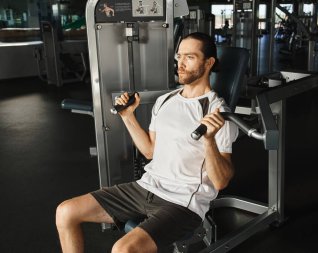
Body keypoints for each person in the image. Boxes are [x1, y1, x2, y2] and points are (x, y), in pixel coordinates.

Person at [55, 32, 239, 253]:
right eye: (179, 57)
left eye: (189, 57)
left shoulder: (218, 113)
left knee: (123, 249)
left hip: (182, 201)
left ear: (208, 63)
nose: (180, 63)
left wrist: (209, 140)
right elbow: (150, 151)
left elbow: (220, 182)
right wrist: (127, 116)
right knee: (65, 211)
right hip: (145, 187)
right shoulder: (165, 100)